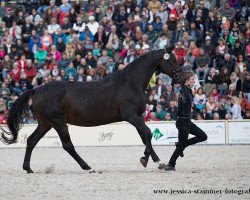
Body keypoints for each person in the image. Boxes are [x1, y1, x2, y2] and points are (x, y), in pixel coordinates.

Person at [161, 72, 207, 171]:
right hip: (182, 121)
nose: (194, 81)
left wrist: (198, 111)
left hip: (187, 121)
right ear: (186, 81)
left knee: (203, 136)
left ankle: (182, 145)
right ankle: (171, 164)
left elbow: (191, 104)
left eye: (194, 79)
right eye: (192, 79)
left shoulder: (189, 91)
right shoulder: (183, 92)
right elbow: (182, 104)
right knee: (181, 146)